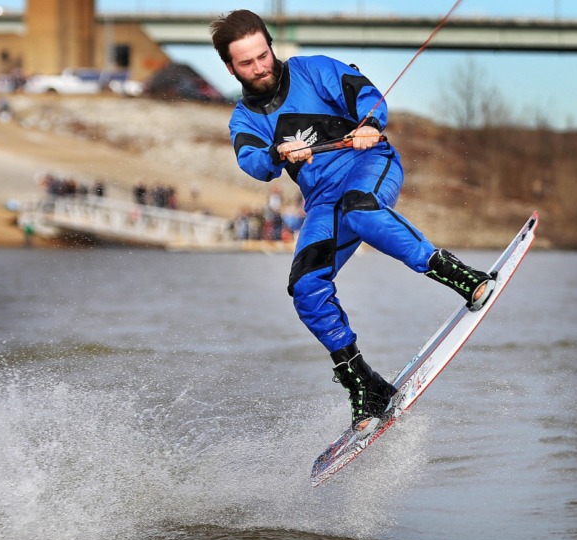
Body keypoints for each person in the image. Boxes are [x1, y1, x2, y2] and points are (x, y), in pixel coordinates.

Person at [210, 10, 496, 436]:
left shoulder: (315, 71)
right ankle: (364, 383)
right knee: (305, 287)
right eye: (247, 63)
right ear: (231, 67)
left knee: (361, 209)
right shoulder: (244, 119)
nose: (260, 67)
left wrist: (371, 125)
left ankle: (460, 275)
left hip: (368, 164)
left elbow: (367, 94)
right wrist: (277, 153)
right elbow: (252, 160)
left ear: (271, 46)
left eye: (263, 55)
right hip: (324, 202)